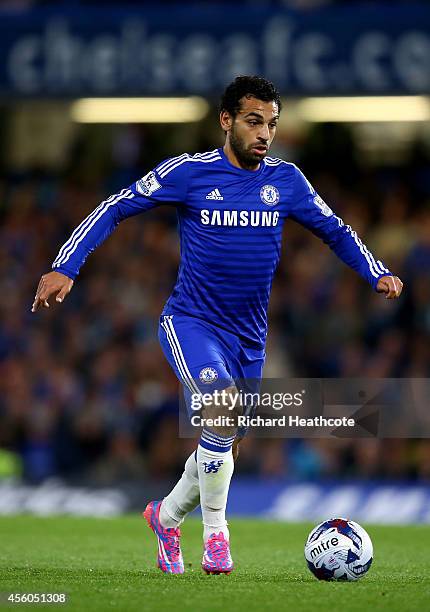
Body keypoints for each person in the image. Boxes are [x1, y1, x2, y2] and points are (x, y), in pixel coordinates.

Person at [32, 75, 403, 575]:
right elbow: (117, 205)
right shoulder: (189, 173)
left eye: (271, 124)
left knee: (220, 438)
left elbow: (335, 230)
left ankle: (164, 519)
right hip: (190, 323)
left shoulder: (287, 182)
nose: (264, 134)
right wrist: (66, 264)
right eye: (254, 122)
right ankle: (216, 539)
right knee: (221, 411)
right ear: (226, 121)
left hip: (249, 337)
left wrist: (375, 271)